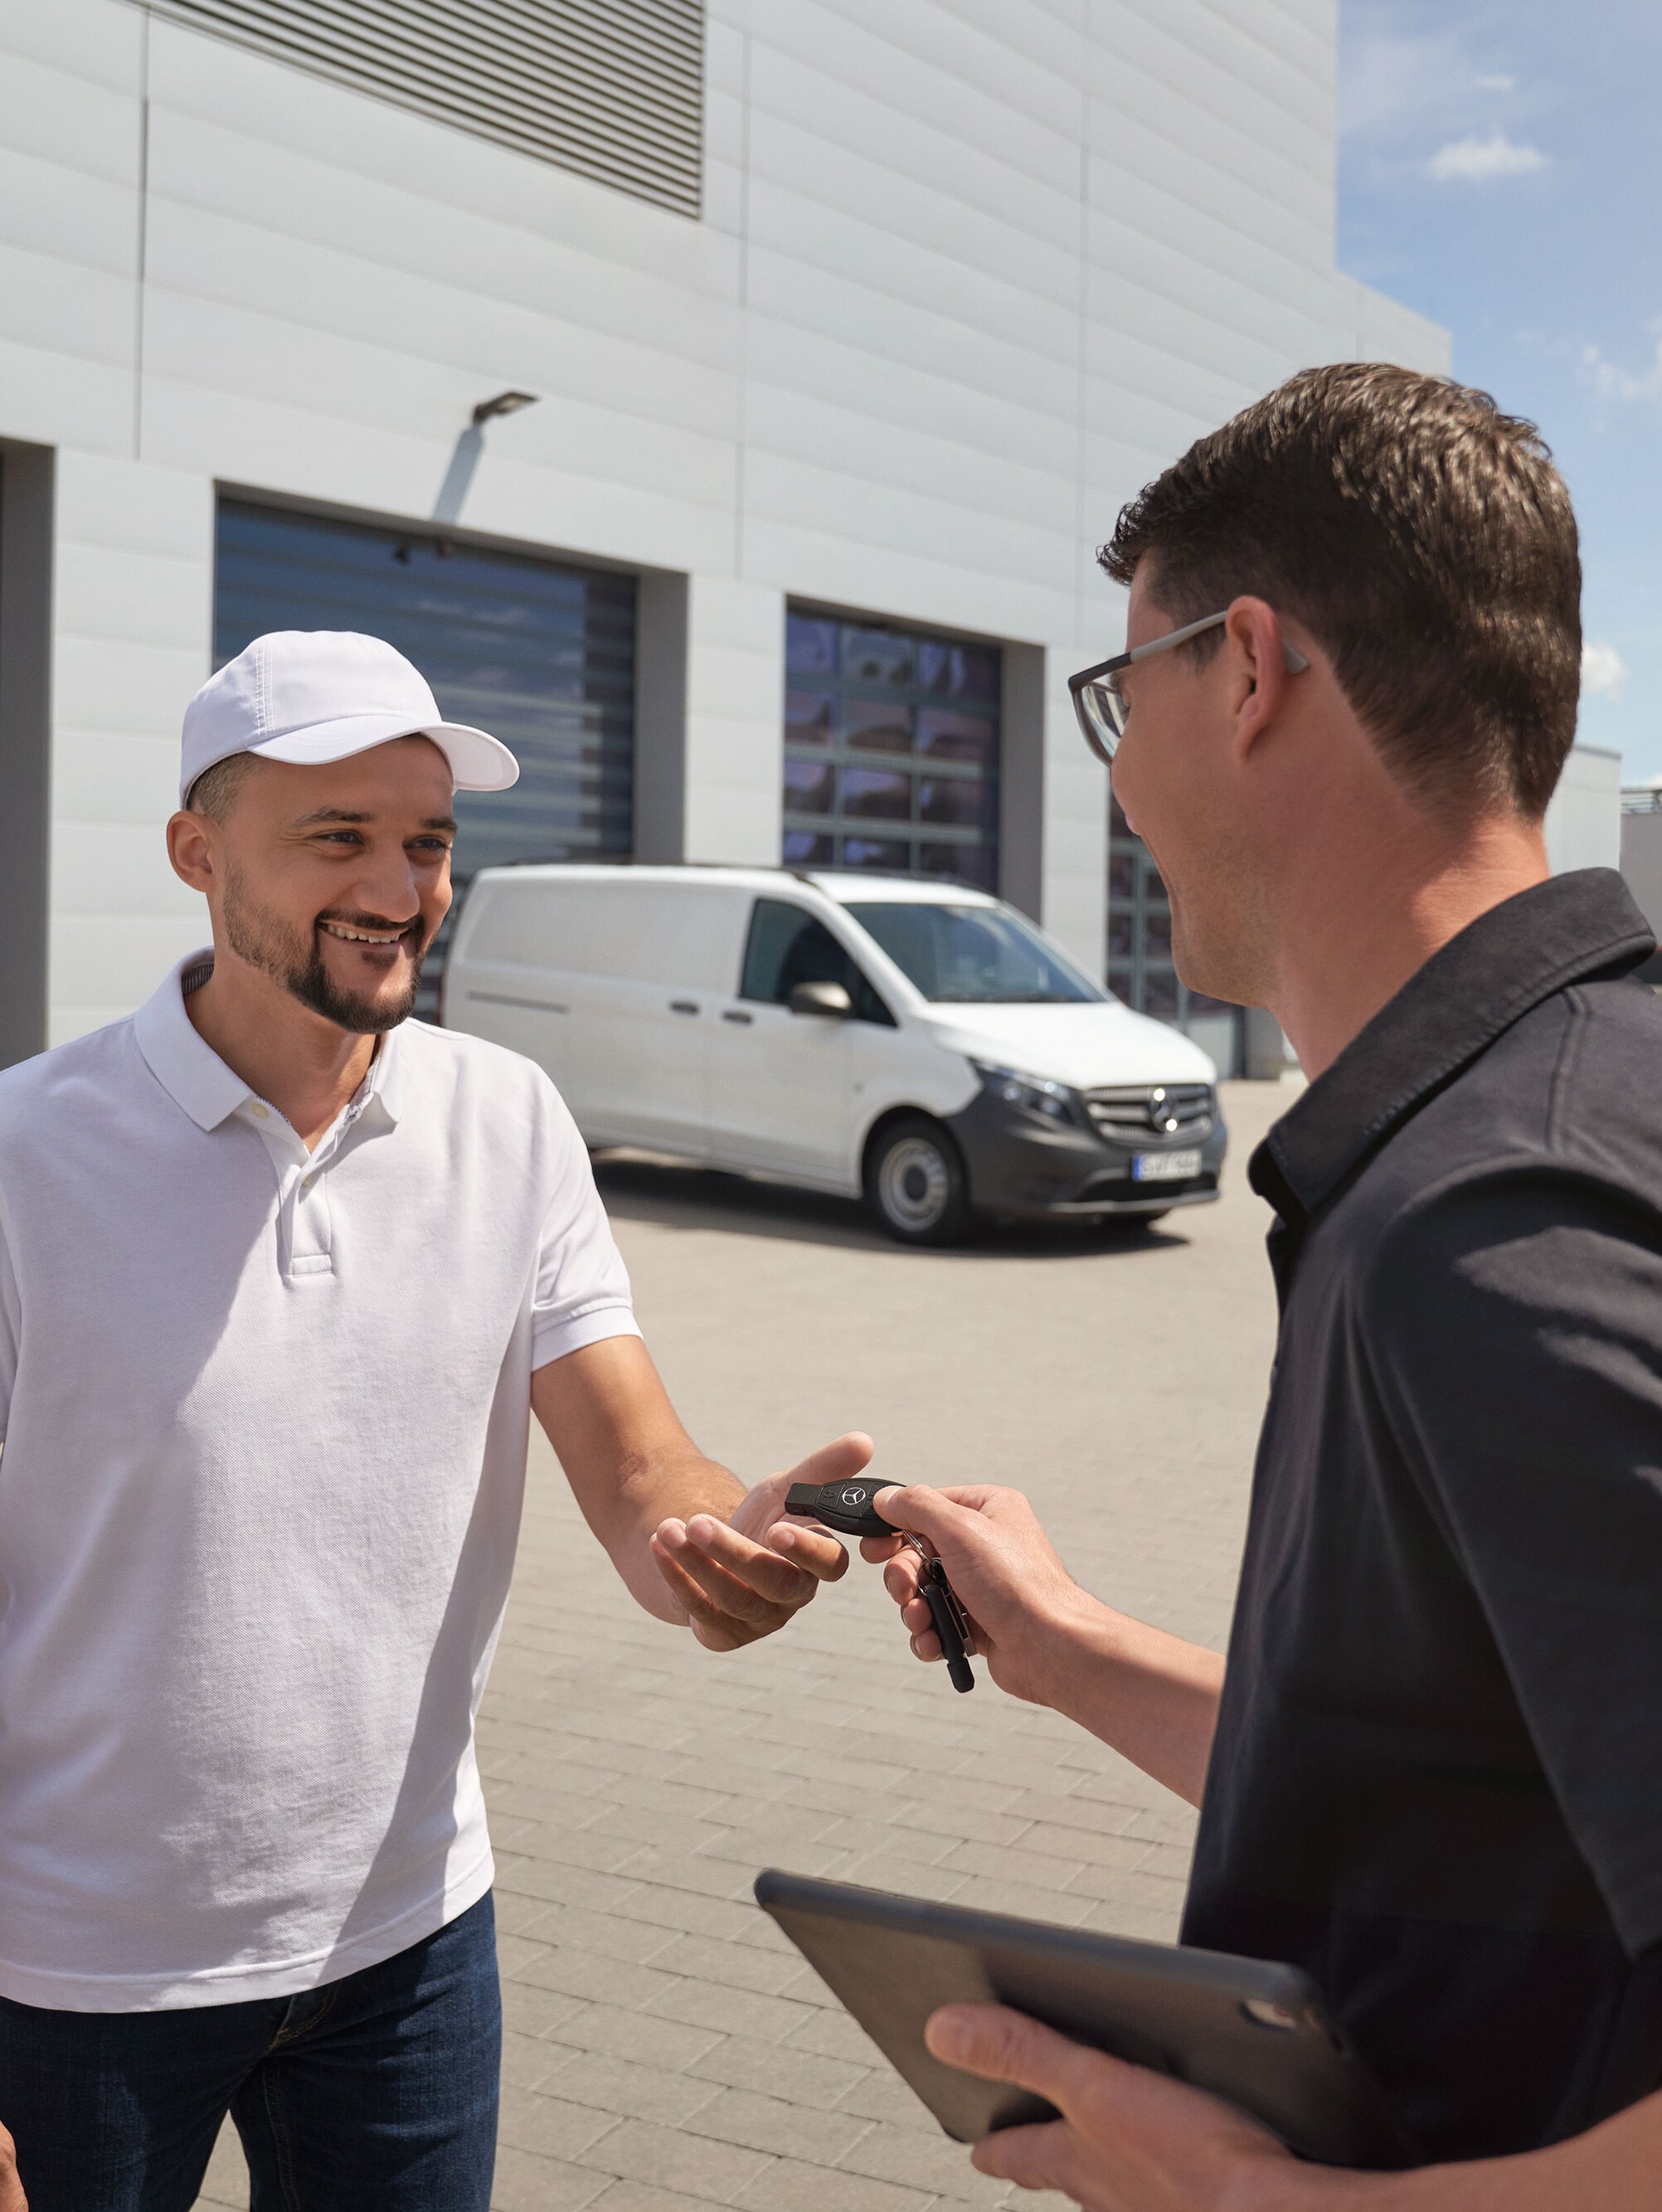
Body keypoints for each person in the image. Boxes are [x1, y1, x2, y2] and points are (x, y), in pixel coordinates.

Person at [867, 365, 1662, 2207]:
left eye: (1114, 695)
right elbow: (1487, 1787)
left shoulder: (1495, 1221)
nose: (1116, 779)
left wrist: (1261, 2201)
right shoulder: (1554, 1111)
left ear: (1244, 668)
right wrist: (1068, 1648)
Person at [0, 629, 866, 2212]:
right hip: (70, 1978)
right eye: (338, 837)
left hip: (408, 1949)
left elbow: (636, 1458)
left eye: (428, 842)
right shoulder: (23, 1158)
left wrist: (715, 1542)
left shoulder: (507, 1116)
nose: (397, 887)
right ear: (199, 854)